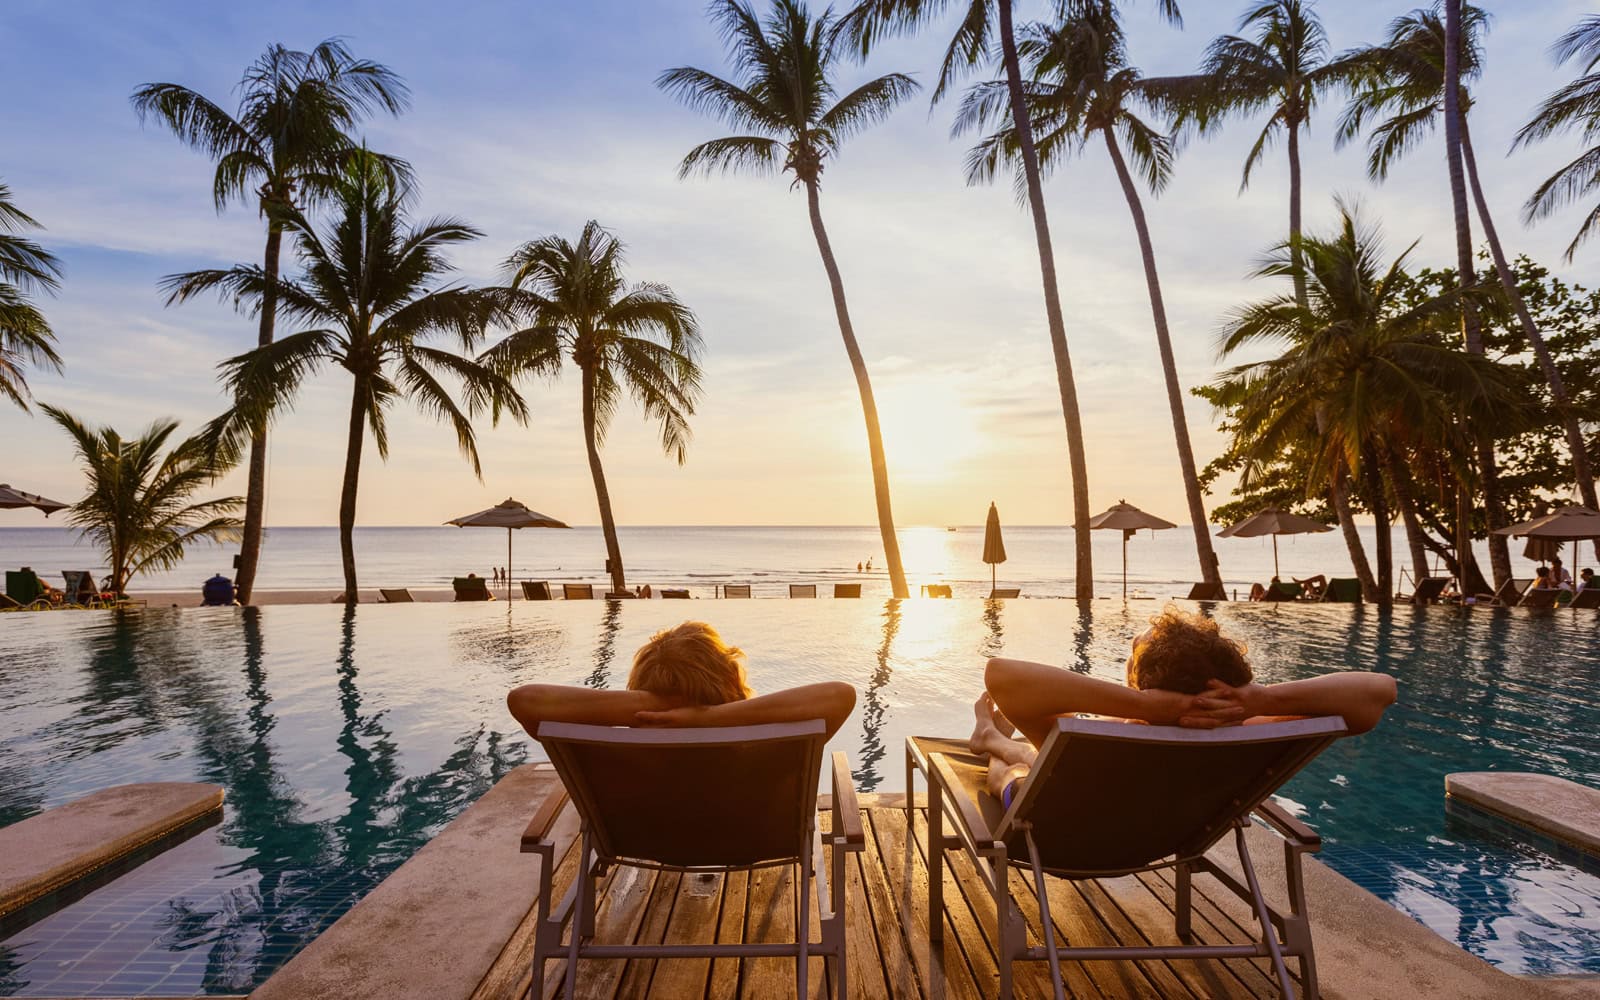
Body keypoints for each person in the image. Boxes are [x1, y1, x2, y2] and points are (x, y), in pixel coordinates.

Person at [968, 606, 1397, 809]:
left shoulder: (1111, 733)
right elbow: (1379, 691)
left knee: (1019, 763)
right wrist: (1260, 699)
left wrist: (1143, 708)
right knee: (1037, 751)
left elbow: (1002, 676)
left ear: (1140, 684)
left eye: (1130, 657)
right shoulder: (1253, 730)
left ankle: (990, 740)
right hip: (1176, 836)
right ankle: (995, 738)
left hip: (1066, 832)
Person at [508, 621, 856, 739]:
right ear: (728, 674)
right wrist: (709, 715)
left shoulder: (628, 750)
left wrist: (655, 706)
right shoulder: (760, 735)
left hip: (645, 842)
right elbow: (840, 695)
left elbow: (525, 700)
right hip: (753, 841)